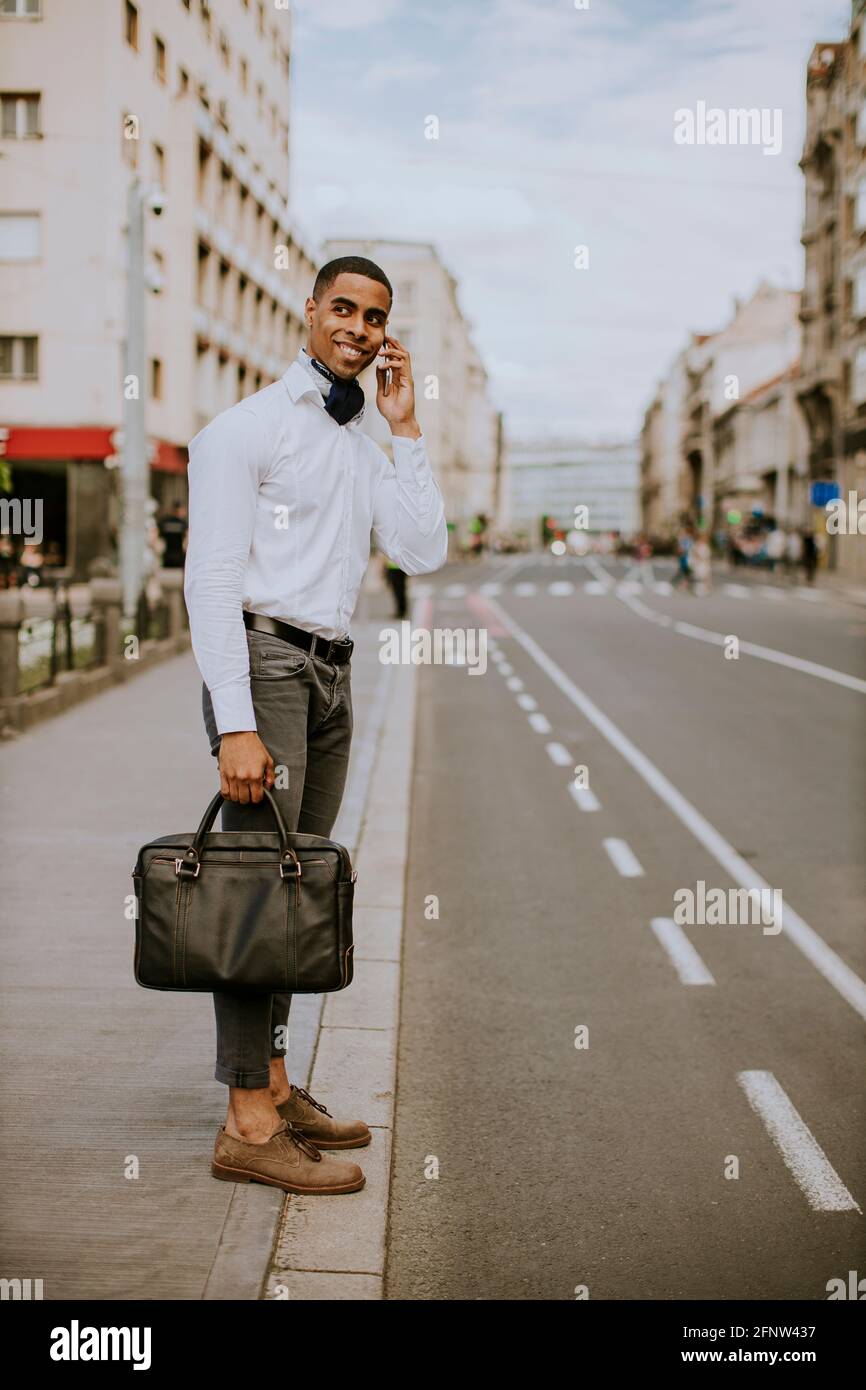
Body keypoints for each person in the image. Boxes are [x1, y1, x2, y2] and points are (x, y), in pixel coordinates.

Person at [184, 256, 449, 1196]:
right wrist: (235, 726)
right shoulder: (244, 431)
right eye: (344, 308)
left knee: (298, 893)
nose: (360, 327)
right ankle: (246, 1122)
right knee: (258, 895)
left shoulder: (361, 441)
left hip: (331, 676)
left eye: (376, 316)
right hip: (264, 670)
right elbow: (211, 583)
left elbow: (422, 549)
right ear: (310, 311)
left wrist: (406, 428)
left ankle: (279, 1087)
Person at [157, 501, 188, 569]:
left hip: (167, 556)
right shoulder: (183, 524)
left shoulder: (165, 522)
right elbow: (186, 539)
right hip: (179, 556)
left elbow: (159, 536)